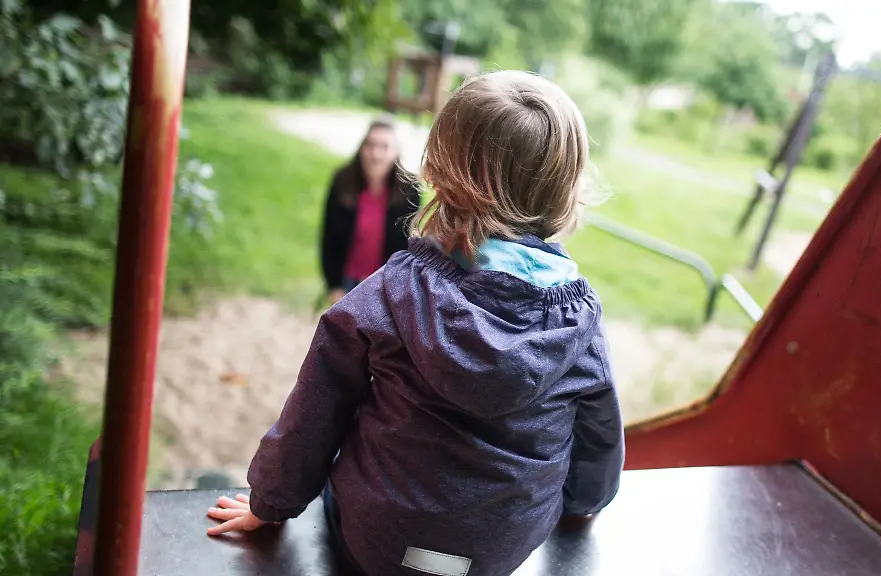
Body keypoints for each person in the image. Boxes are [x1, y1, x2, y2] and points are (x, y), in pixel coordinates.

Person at [206, 71, 624, 576]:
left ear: (439, 174)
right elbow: (600, 434)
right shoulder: (578, 320)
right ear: (565, 191)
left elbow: (316, 409)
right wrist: (583, 504)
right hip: (501, 551)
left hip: (379, 539)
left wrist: (269, 502)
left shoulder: (392, 289)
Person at [320, 115, 419, 303]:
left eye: (384, 147)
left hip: (384, 285)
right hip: (347, 281)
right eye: (370, 145)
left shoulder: (409, 190)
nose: (376, 154)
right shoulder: (342, 182)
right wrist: (333, 285)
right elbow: (328, 236)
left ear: (396, 152)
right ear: (361, 148)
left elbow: (408, 246)